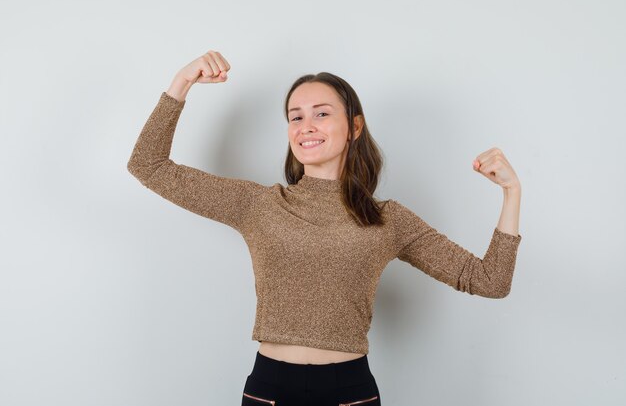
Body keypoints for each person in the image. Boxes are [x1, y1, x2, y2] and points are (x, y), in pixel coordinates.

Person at [127, 50, 523, 406]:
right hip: (270, 389)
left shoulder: (386, 218)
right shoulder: (259, 205)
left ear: (354, 127)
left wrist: (511, 192)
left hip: (348, 393)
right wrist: (181, 83)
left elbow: (490, 280)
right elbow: (148, 165)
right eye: (295, 117)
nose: (306, 125)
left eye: (321, 113)